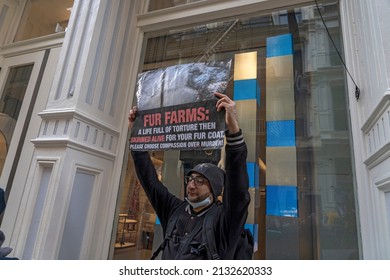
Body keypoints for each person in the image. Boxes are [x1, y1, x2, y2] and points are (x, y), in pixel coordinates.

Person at [128, 92, 250, 260]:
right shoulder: (174, 210)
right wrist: (137, 134)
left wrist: (233, 132)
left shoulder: (223, 222)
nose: (191, 185)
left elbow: (238, 192)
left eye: (200, 181)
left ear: (215, 189)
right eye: (190, 179)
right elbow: (150, 181)